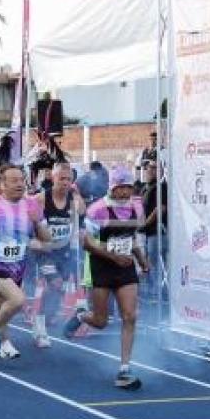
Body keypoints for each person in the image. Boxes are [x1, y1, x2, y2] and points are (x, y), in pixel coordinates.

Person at [64, 165, 149, 390]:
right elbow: (86, 243)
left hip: (125, 267)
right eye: (122, 187)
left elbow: (131, 238)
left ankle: (124, 369)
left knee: (130, 316)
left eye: (129, 187)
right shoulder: (97, 210)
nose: (126, 192)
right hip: (101, 266)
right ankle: (82, 315)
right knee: (101, 321)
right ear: (113, 187)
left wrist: (141, 259)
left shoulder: (136, 207)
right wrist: (113, 257)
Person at [0, 165, 51, 373]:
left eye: (22, 180)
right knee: (17, 299)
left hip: (16, 267)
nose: (19, 184)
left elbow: (47, 241)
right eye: (14, 180)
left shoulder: (32, 205)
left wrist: (37, 223)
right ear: (2, 185)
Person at [31, 163, 86, 347]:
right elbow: (29, 221)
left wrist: (76, 194)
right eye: (61, 178)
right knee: (55, 283)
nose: (65, 182)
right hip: (45, 251)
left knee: (57, 290)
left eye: (69, 179)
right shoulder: (41, 199)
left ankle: (41, 320)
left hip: (65, 251)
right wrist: (35, 241)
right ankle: (40, 328)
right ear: (53, 178)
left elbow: (82, 211)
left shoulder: (73, 198)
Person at [140, 160, 167, 301]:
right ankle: (153, 292)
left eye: (153, 168)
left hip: (157, 233)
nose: (148, 170)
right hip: (147, 233)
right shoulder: (146, 188)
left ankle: (157, 294)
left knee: (155, 264)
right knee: (149, 263)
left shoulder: (162, 187)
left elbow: (161, 209)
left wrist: (145, 224)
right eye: (147, 168)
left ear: (160, 170)